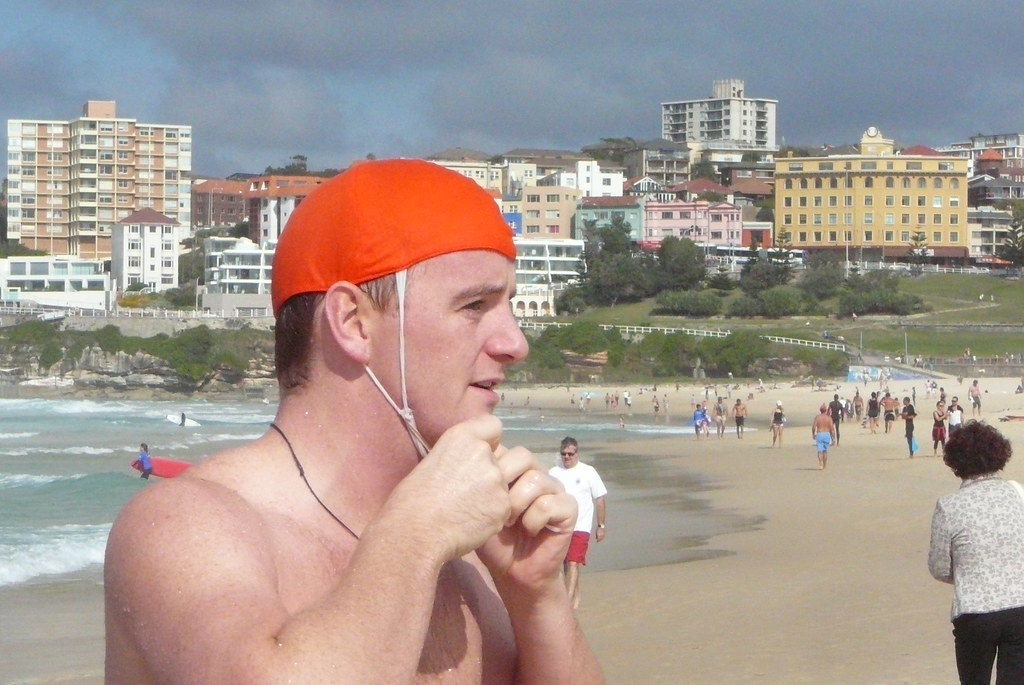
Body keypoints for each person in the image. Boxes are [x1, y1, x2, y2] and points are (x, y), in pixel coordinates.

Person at [104, 160, 604, 683]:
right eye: (475, 305)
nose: (516, 344)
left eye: (510, 307)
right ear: (351, 322)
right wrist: (415, 534)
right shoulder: (185, 526)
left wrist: (537, 596)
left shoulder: (476, 553)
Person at [928, 421, 1024, 685]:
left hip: (975, 612)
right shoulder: (1018, 493)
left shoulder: (949, 505)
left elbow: (938, 567)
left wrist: (968, 572)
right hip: (1021, 607)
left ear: (955, 462)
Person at [549, 437, 607, 610]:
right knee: (566, 564)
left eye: (570, 454)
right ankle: (575, 597)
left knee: (574, 562)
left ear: (577, 453)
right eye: (563, 454)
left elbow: (600, 499)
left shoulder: (588, 472)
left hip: (581, 526)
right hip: (559, 527)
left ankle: (565, 606)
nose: (567, 457)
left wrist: (601, 526)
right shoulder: (553, 472)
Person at [811, 404, 836, 470]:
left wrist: (813, 434)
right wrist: (833, 439)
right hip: (827, 434)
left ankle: (820, 463)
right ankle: (824, 465)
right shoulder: (829, 418)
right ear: (826, 410)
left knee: (820, 450)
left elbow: (813, 427)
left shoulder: (817, 417)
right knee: (825, 451)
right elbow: (832, 429)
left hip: (820, 434)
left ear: (820, 410)